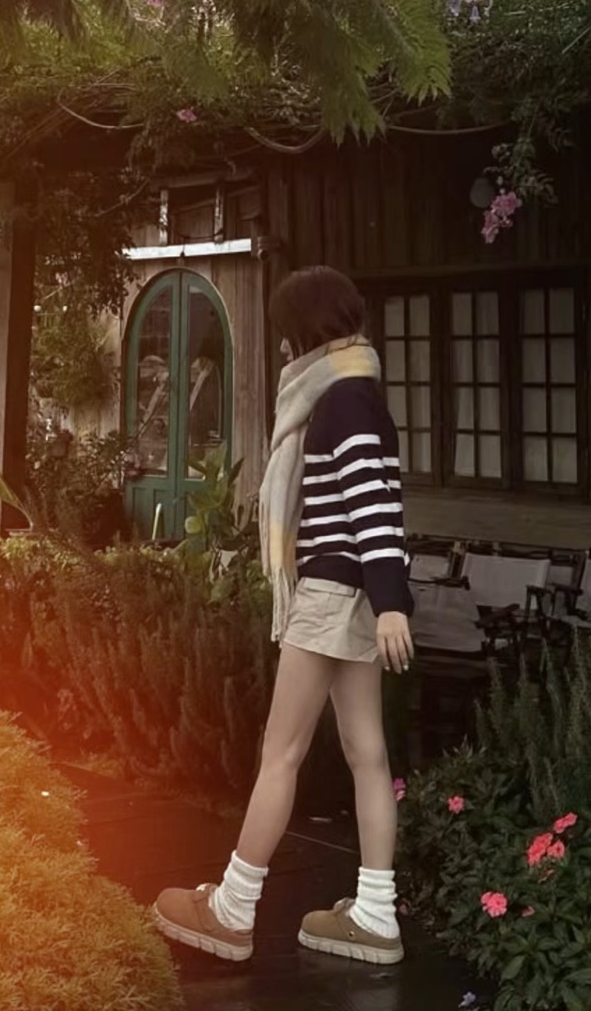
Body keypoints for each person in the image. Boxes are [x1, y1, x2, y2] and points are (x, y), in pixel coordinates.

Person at [154, 266, 414, 965]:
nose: (281, 348)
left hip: (332, 593)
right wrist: (384, 599)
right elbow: (377, 505)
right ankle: (376, 914)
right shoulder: (357, 392)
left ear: (305, 330)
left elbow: (373, 506)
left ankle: (232, 909)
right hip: (354, 595)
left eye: (285, 333)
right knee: (367, 755)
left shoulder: (342, 400)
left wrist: (393, 604)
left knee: (282, 752)